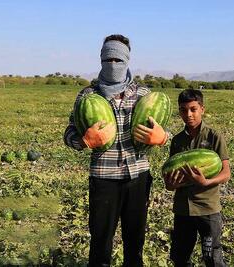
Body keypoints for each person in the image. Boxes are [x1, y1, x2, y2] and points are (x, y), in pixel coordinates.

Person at [64, 34, 168, 266]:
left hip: (138, 177)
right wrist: (84, 141)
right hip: (103, 179)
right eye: (108, 59)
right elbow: (69, 133)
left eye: (118, 59)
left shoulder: (143, 94)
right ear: (101, 59)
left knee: (135, 242)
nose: (112, 64)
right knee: (101, 243)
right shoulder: (87, 96)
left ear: (127, 60)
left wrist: (162, 138)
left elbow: (163, 130)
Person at [163, 89, 231, 267]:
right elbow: (170, 179)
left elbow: (226, 173)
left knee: (212, 256)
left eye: (193, 109)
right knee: (180, 256)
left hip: (207, 208)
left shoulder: (214, 137)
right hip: (183, 209)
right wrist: (170, 185)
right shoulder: (177, 141)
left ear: (202, 109)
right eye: (183, 110)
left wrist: (206, 182)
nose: (189, 114)